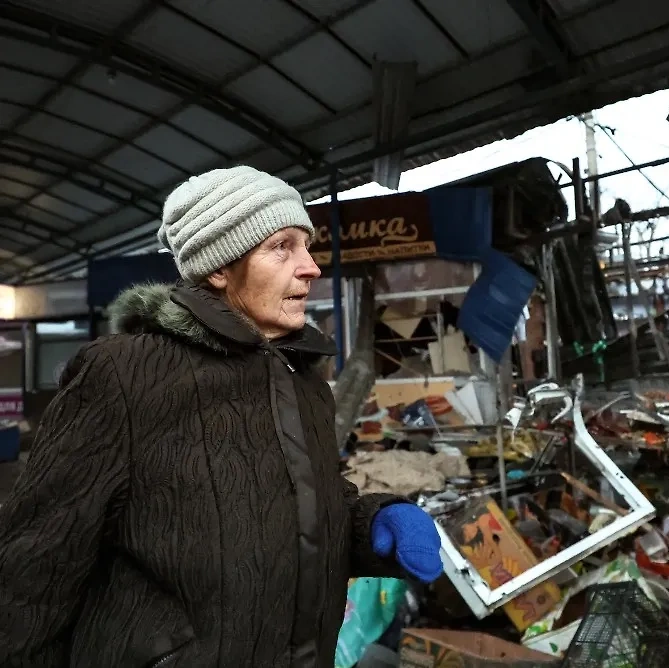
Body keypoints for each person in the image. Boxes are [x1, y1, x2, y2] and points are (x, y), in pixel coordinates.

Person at [0, 166, 444, 668]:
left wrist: (371, 522)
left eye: (306, 244)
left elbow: (299, 503)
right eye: (282, 246)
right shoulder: (123, 375)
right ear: (219, 269)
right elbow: (34, 569)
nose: (311, 267)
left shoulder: (302, 378)